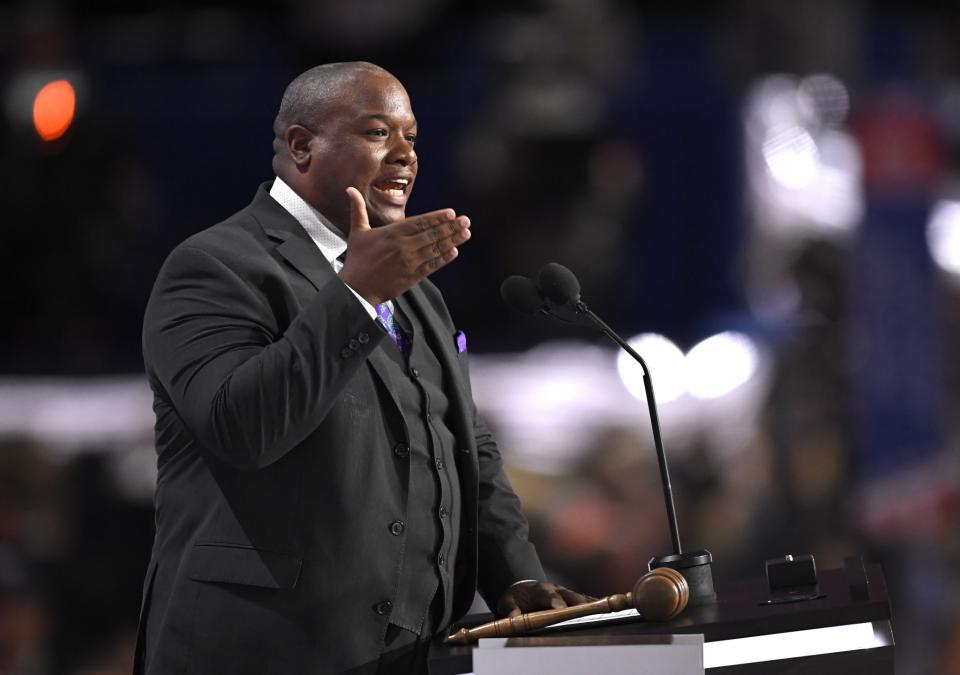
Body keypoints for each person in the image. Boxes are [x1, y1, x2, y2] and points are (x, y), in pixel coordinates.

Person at [134, 62, 589, 675]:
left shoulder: (414, 289)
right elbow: (242, 428)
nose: (406, 156)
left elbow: (465, 446)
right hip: (262, 651)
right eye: (380, 133)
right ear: (301, 146)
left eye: (413, 138)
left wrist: (519, 574)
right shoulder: (214, 267)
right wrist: (355, 298)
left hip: (415, 652)